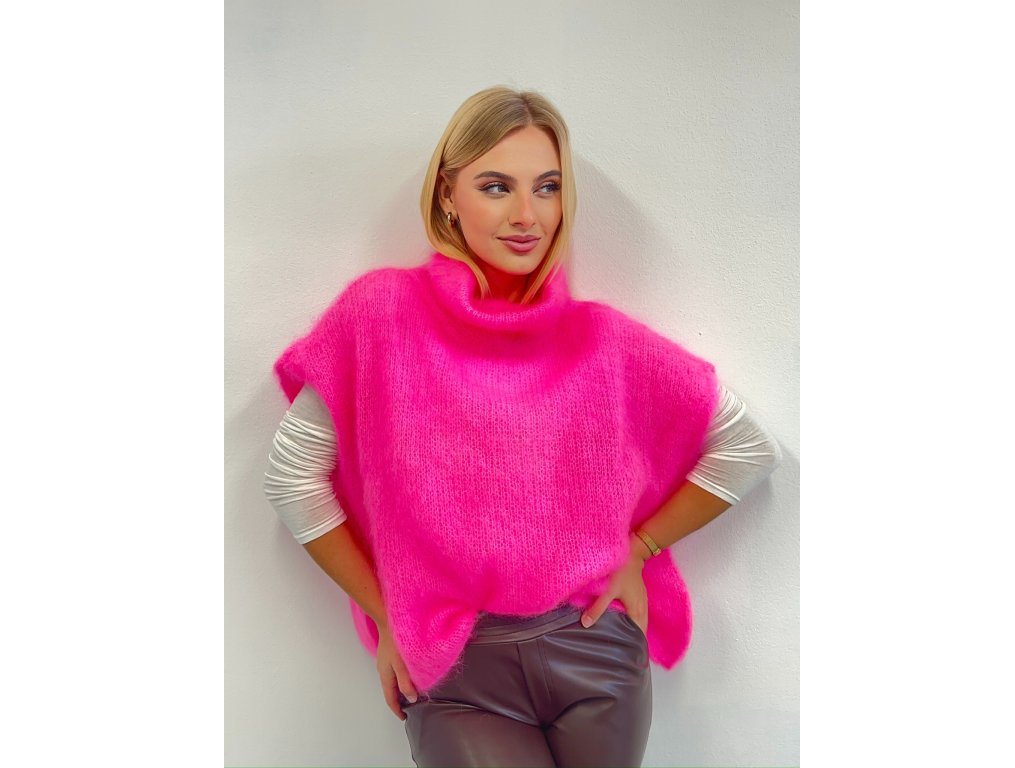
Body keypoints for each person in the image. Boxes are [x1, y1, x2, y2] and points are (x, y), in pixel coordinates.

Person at [263, 86, 781, 768]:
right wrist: (389, 613)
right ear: (448, 195)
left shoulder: (603, 343)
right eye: (496, 186)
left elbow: (746, 446)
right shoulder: (380, 316)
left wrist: (641, 547)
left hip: (594, 654)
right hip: (454, 668)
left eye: (547, 187)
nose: (526, 215)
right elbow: (291, 478)